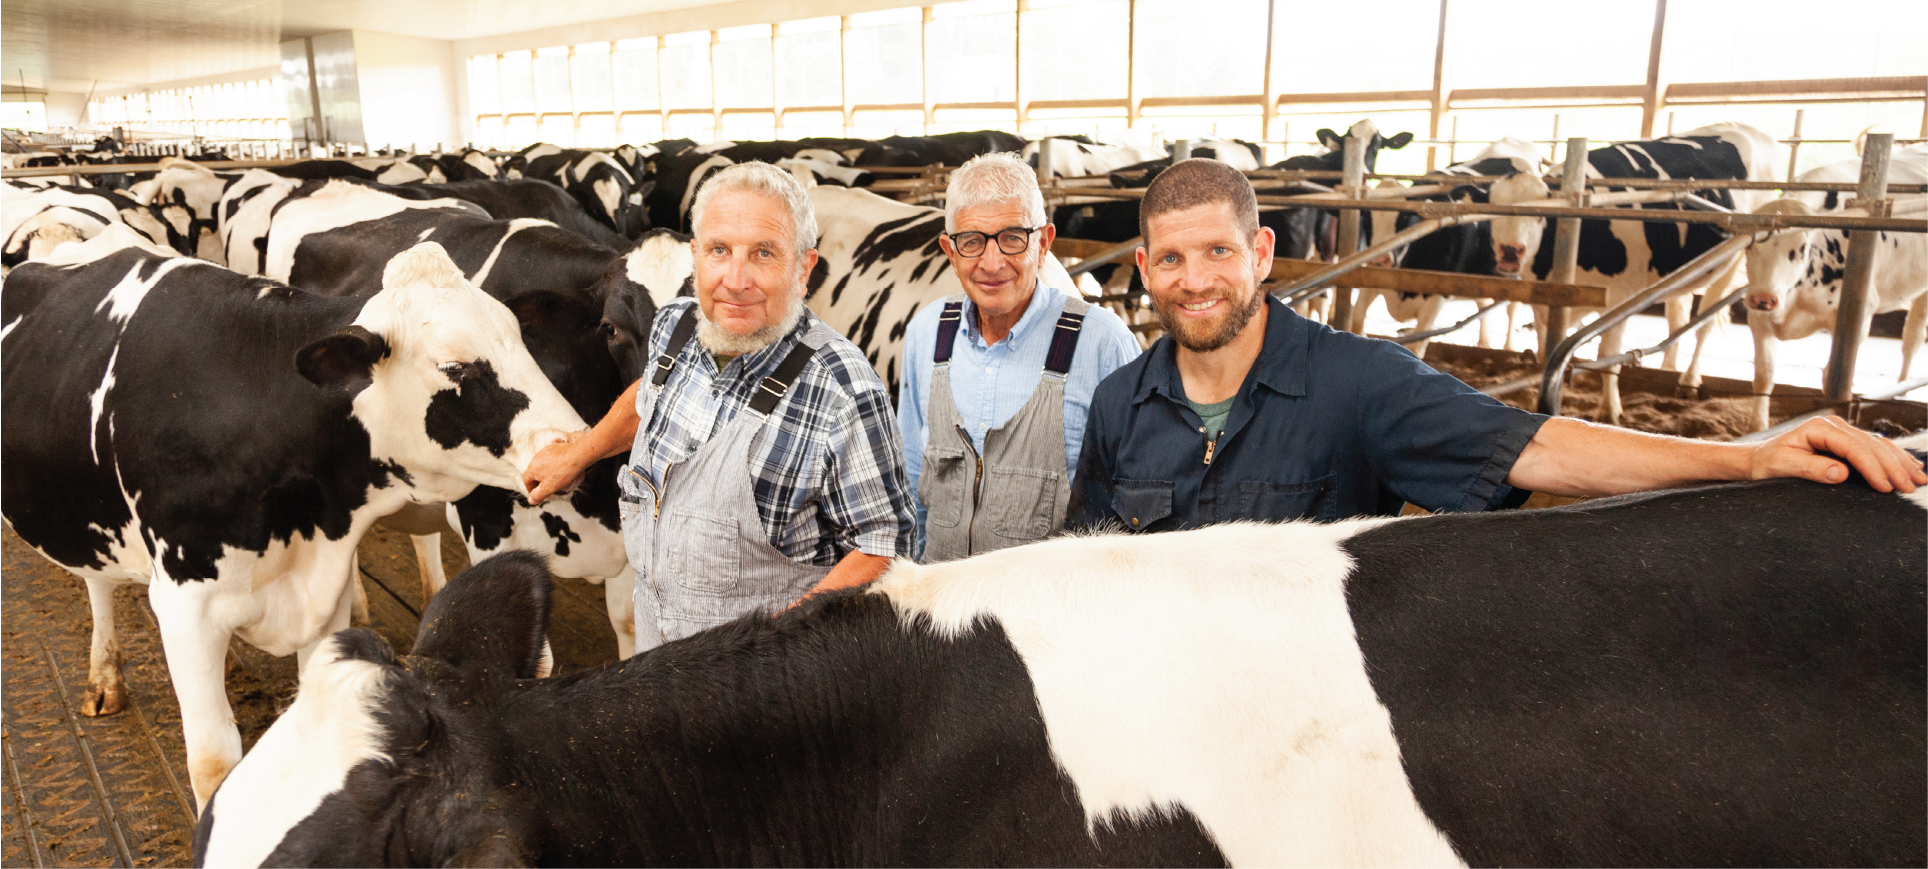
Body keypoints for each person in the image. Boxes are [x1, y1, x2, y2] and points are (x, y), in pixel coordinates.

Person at [1066, 158, 1925, 532]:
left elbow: (1540, 448)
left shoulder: (1358, 382)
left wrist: (1749, 457)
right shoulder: (1119, 403)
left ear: (1260, 254)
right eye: (1171, 259)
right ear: (1143, 269)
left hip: (1311, 743)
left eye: (1218, 251)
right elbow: (1091, 573)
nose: (1194, 279)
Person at [521, 162, 914, 651]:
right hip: (655, 655)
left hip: (761, 690)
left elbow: (884, 548)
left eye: (764, 253)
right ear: (696, 257)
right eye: (720, 250)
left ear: (804, 269)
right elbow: (651, 395)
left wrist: (771, 645)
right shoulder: (676, 326)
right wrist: (582, 451)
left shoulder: (843, 391)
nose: (736, 279)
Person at [898, 152, 1141, 562]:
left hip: (1045, 618)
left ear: (1044, 243)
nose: (992, 264)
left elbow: (1132, 506)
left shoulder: (1102, 342)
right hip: (939, 610)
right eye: (972, 241)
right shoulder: (927, 334)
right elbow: (910, 482)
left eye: (1013, 237)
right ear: (949, 250)